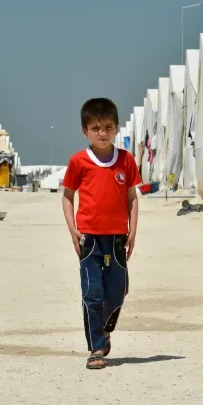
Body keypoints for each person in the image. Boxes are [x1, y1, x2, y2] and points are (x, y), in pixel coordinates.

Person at [61, 97, 140, 370]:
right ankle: (95, 347)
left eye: (108, 127)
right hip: (89, 239)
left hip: (117, 238)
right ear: (85, 131)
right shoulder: (79, 162)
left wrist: (132, 231)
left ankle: (105, 330)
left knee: (117, 293)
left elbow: (132, 197)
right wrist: (73, 230)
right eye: (95, 128)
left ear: (117, 128)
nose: (102, 133)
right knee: (93, 293)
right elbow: (68, 196)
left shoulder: (126, 161)